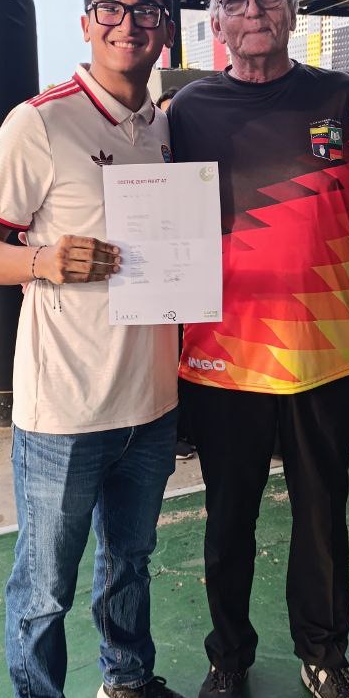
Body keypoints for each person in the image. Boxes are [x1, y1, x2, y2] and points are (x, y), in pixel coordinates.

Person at [0, 0, 205, 698]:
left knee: (130, 561)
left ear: (166, 25)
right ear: (86, 21)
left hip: (150, 402)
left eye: (147, 11)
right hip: (62, 409)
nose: (129, 25)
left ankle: (127, 679)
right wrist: (41, 261)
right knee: (44, 591)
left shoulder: (166, 126)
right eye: (111, 9)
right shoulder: (40, 122)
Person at [168, 0, 349, 698]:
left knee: (322, 519)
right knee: (227, 524)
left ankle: (324, 660)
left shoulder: (342, 99)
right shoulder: (186, 113)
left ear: (291, 7)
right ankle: (228, 660)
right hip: (220, 363)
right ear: (215, 19)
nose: (253, 10)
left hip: (325, 357)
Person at [156, 85, 198, 462]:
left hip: (197, 269)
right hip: (156, 274)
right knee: (169, 351)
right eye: (167, 115)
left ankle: (190, 427)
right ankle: (178, 433)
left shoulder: (200, 163)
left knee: (188, 346)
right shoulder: (147, 156)